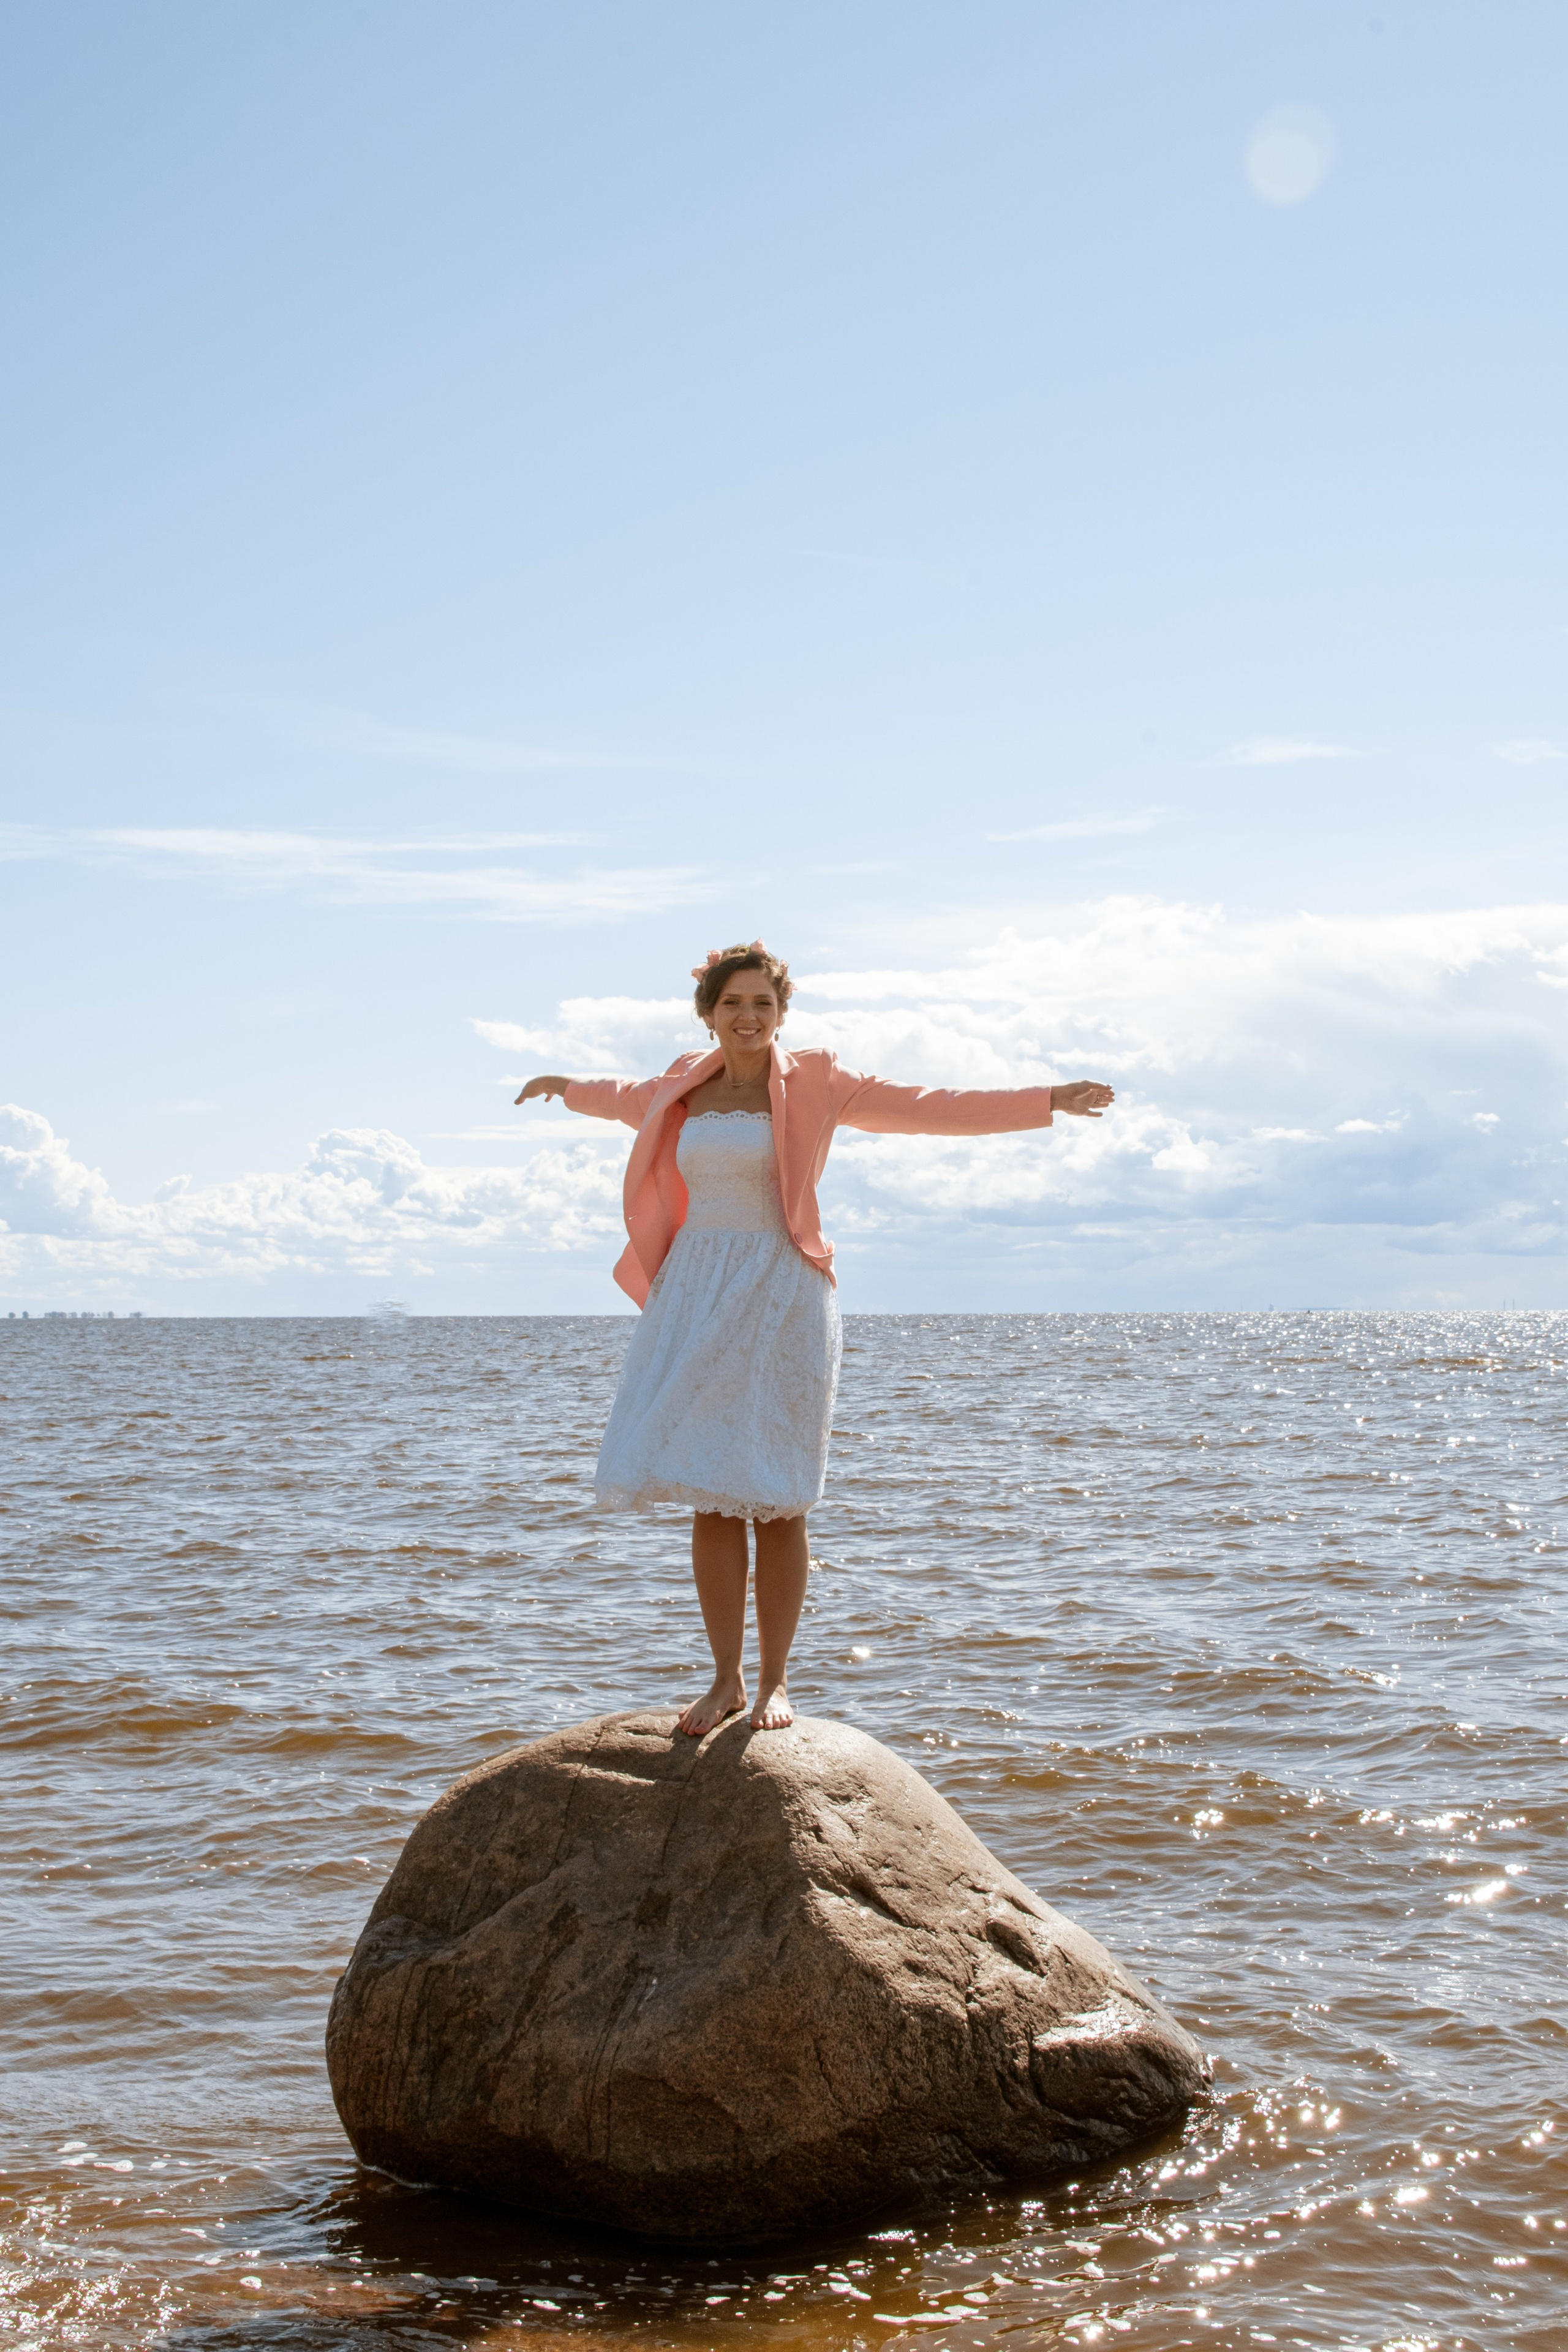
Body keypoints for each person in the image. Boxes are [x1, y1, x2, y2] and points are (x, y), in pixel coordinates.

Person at [514, 940, 1114, 1736]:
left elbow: (928, 1106)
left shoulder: (819, 1082)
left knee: (778, 1497)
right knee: (710, 1491)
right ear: (709, 1013)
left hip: (781, 1289)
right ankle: (723, 1679)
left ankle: (774, 1684)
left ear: (782, 1014)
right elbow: (627, 1098)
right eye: (734, 1004)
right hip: (697, 1294)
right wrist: (565, 1087)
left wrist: (1046, 1099)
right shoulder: (682, 1083)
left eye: (764, 1004)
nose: (749, 1017)